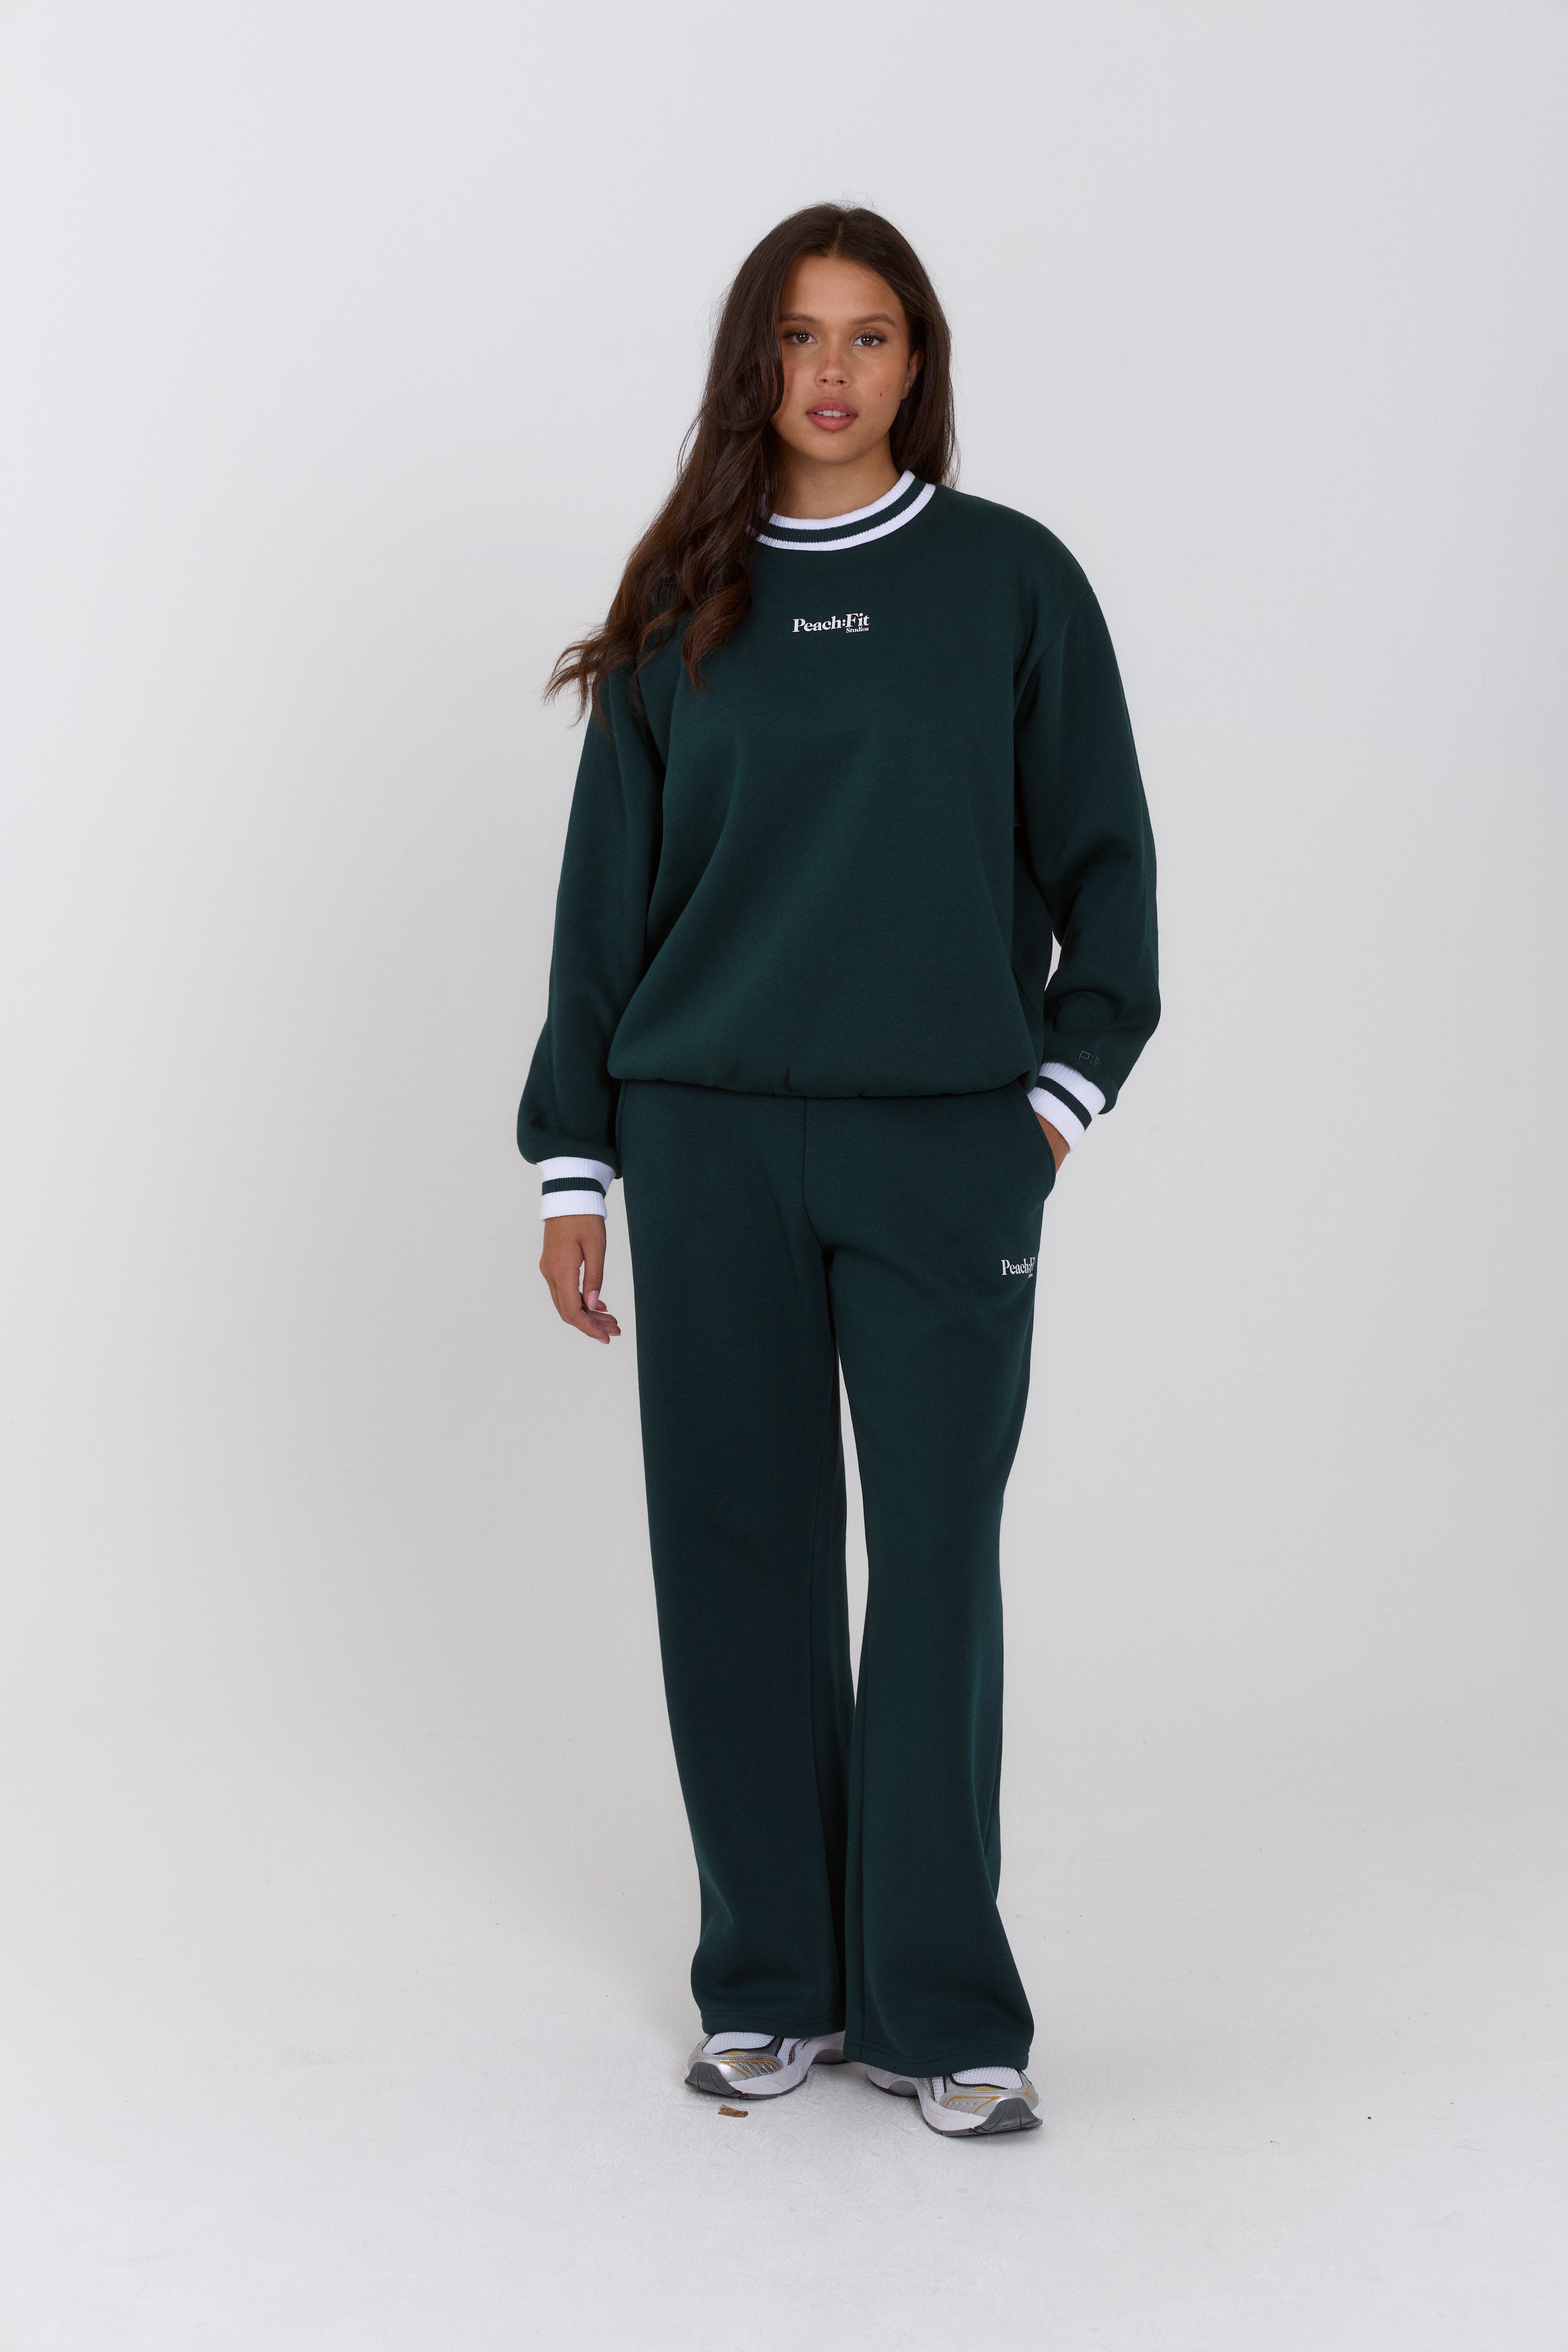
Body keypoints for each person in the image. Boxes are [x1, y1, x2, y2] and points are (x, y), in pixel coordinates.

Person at [518, 203, 1158, 2140]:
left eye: (869, 335)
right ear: (755, 363)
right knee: (734, 1549)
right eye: (799, 336)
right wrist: (574, 1169)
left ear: (915, 364)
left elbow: (1108, 871)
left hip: (942, 1147)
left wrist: (1048, 1107)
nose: (831, 370)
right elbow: (604, 911)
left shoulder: (1009, 582)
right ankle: (770, 1981)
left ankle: (940, 2008)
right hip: (703, 1139)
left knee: (937, 1557)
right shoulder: (681, 601)